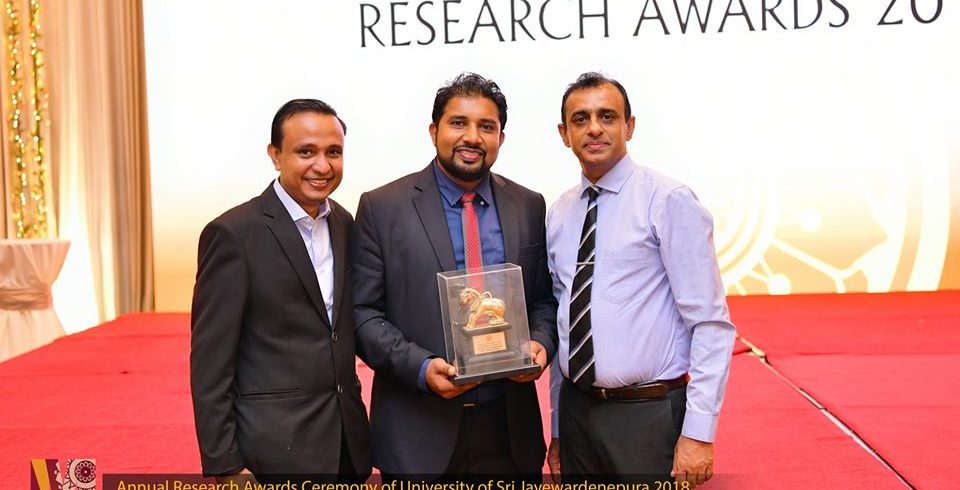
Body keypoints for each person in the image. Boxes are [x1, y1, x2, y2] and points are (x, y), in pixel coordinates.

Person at [351, 73, 557, 480]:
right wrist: (421, 367)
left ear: (500, 137)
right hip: (418, 432)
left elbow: (543, 301)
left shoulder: (528, 205)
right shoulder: (383, 207)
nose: (472, 137)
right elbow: (362, 314)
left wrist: (540, 344)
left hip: (509, 432)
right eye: (458, 123)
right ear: (434, 131)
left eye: (486, 126)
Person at [545, 72, 736, 487]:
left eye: (607, 116)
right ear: (564, 134)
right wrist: (558, 429)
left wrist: (699, 432)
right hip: (578, 416)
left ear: (629, 126)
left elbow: (710, 324)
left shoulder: (668, 200)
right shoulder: (559, 213)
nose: (594, 128)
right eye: (580, 119)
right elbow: (566, 325)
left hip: (647, 417)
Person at [190, 99, 371, 483]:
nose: (322, 166)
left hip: (346, 443)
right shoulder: (234, 234)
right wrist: (225, 464)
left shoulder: (343, 222)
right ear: (275, 155)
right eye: (306, 152)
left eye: (333, 152)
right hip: (272, 450)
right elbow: (210, 361)